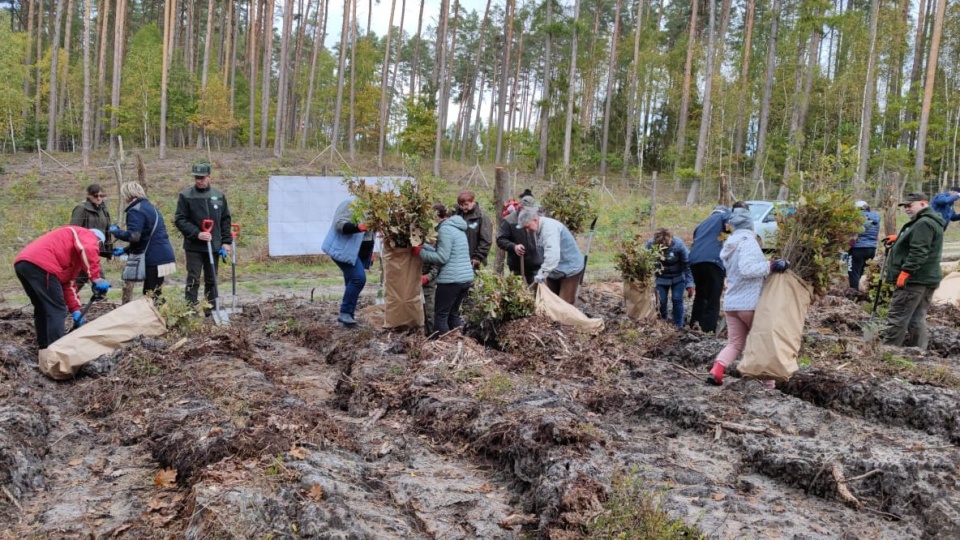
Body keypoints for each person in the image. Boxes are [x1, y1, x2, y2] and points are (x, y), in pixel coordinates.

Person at [706, 210, 789, 388]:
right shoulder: (749, 242)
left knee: (735, 343)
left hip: (732, 304)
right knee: (763, 343)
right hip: (749, 304)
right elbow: (747, 269)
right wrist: (772, 265)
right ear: (749, 225)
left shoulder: (730, 244)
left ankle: (717, 370)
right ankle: (769, 385)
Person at [14, 226, 111, 349]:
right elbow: (88, 248)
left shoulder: (70, 256)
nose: (98, 250)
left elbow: (67, 284)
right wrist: (96, 278)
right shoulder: (87, 234)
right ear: (98, 242)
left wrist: (76, 310)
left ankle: (44, 350)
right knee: (57, 310)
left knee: (42, 308)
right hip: (43, 264)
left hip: (23, 264)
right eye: (99, 247)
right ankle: (57, 352)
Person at [882, 192, 944, 349]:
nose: (907, 209)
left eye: (910, 205)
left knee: (898, 317)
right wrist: (901, 239)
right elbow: (922, 242)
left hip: (914, 280)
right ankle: (918, 351)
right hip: (927, 278)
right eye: (905, 206)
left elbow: (919, 251)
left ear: (923, 204)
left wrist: (906, 272)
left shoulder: (923, 223)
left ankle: (888, 350)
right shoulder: (929, 221)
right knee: (916, 317)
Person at [174, 162, 232, 311]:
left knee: (212, 278)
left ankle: (211, 308)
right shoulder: (186, 196)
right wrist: (197, 233)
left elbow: (225, 219)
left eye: (202, 177)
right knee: (193, 278)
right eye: (197, 178)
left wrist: (226, 241)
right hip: (194, 246)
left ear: (209, 177)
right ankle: (190, 309)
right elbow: (180, 219)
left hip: (214, 245)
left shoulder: (218, 196)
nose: (199, 181)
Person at [108, 182, 177, 299]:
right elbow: (147, 237)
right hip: (163, 255)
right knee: (155, 293)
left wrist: (116, 232)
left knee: (150, 294)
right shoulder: (151, 208)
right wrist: (125, 250)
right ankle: (163, 315)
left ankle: (160, 316)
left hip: (153, 258)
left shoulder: (135, 210)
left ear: (128, 194)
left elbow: (134, 237)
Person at [418, 208, 474, 336]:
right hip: (465, 278)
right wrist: (423, 247)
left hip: (451, 280)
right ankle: (462, 343)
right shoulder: (457, 228)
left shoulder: (444, 230)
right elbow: (444, 250)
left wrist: (420, 253)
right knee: (453, 314)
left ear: (437, 217)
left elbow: (442, 258)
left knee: (441, 316)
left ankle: (444, 346)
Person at [321, 195, 375, 327]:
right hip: (343, 249)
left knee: (351, 281)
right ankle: (345, 313)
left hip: (358, 252)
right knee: (358, 279)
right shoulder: (350, 204)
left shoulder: (374, 209)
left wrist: (371, 253)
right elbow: (340, 225)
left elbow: (371, 233)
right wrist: (359, 227)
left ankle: (348, 319)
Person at [518, 206, 584, 305]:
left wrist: (542, 273)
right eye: (524, 228)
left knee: (564, 304)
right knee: (551, 301)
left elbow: (552, 255)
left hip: (570, 268)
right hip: (554, 270)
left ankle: (566, 320)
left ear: (535, 220)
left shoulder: (549, 229)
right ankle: (554, 320)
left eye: (527, 227)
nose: (527, 231)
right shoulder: (537, 229)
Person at [688, 205, 731, 332]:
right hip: (713, 261)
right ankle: (708, 329)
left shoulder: (700, 225)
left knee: (701, 294)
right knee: (713, 297)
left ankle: (695, 323)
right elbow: (733, 223)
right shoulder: (724, 216)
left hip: (695, 261)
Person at [645, 228, 694, 328]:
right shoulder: (650, 245)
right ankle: (664, 323)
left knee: (677, 299)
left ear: (671, 238)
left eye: (667, 243)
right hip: (661, 278)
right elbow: (646, 262)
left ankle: (679, 326)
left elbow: (687, 265)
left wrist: (690, 283)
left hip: (678, 278)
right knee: (661, 301)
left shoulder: (678, 244)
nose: (665, 246)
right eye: (661, 245)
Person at [69, 183, 113, 289]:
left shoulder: (103, 209)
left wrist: (108, 252)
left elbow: (107, 231)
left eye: (101, 196)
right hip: (83, 249)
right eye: (95, 195)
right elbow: (73, 230)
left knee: (82, 277)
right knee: (96, 276)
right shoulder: (81, 209)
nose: (99, 198)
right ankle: (101, 299)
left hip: (95, 249)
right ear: (88, 195)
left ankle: (66, 300)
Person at [496, 194, 542, 284]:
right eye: (528, 210)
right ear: (521, 208)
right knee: (519, 293)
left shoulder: (537, 218)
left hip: (536, 264)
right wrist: (514, 247)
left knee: (537, 294)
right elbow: (500, 239)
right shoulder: (509, 220)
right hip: (517, 265)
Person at [422, 204, 449, 337]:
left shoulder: (435, 236)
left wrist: (429, 276)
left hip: (428, 280)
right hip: (414, 280)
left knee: (429, 310)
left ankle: (432, 336)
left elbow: (438, 260)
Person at [454, 190, 493, 268]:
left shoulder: (482, 216)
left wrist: (478, 257)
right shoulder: (456, 213)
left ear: (473, 202)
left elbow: (486, 240)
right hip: (458, 258)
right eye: (461, 205)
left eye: (466, 205)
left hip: (474, 260)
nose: (463, 207)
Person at [847, 200, 880, 291]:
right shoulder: (876, 217)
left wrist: (848, 247)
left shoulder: (857, 218)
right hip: (871, 249)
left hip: (857, 249)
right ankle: (862, 291)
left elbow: (853, 235)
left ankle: (853, 294)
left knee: (853, 272)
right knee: (862, 271)